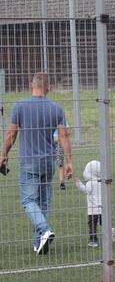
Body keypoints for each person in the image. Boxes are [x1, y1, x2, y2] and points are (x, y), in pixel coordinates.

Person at [1, 72, 73, 255]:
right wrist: (69, 162)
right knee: (44, 202)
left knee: (28, 201)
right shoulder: (56, 108)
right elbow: (63, 136)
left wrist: (3, 154)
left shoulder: (19, 106)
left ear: (30, 84)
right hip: (48, 162)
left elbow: (11, 135)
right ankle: (38, 243)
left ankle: (44, 229)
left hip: (28, 162)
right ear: (49, 88)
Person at [74, 160, 102, 247]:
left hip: (93, 209)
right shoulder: (101, 181)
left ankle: (94, 241)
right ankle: (110, 232)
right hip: (102, 208)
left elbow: (86, 190)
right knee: (103, 222)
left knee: (92, 225)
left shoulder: (90, 182)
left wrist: (78, 182)